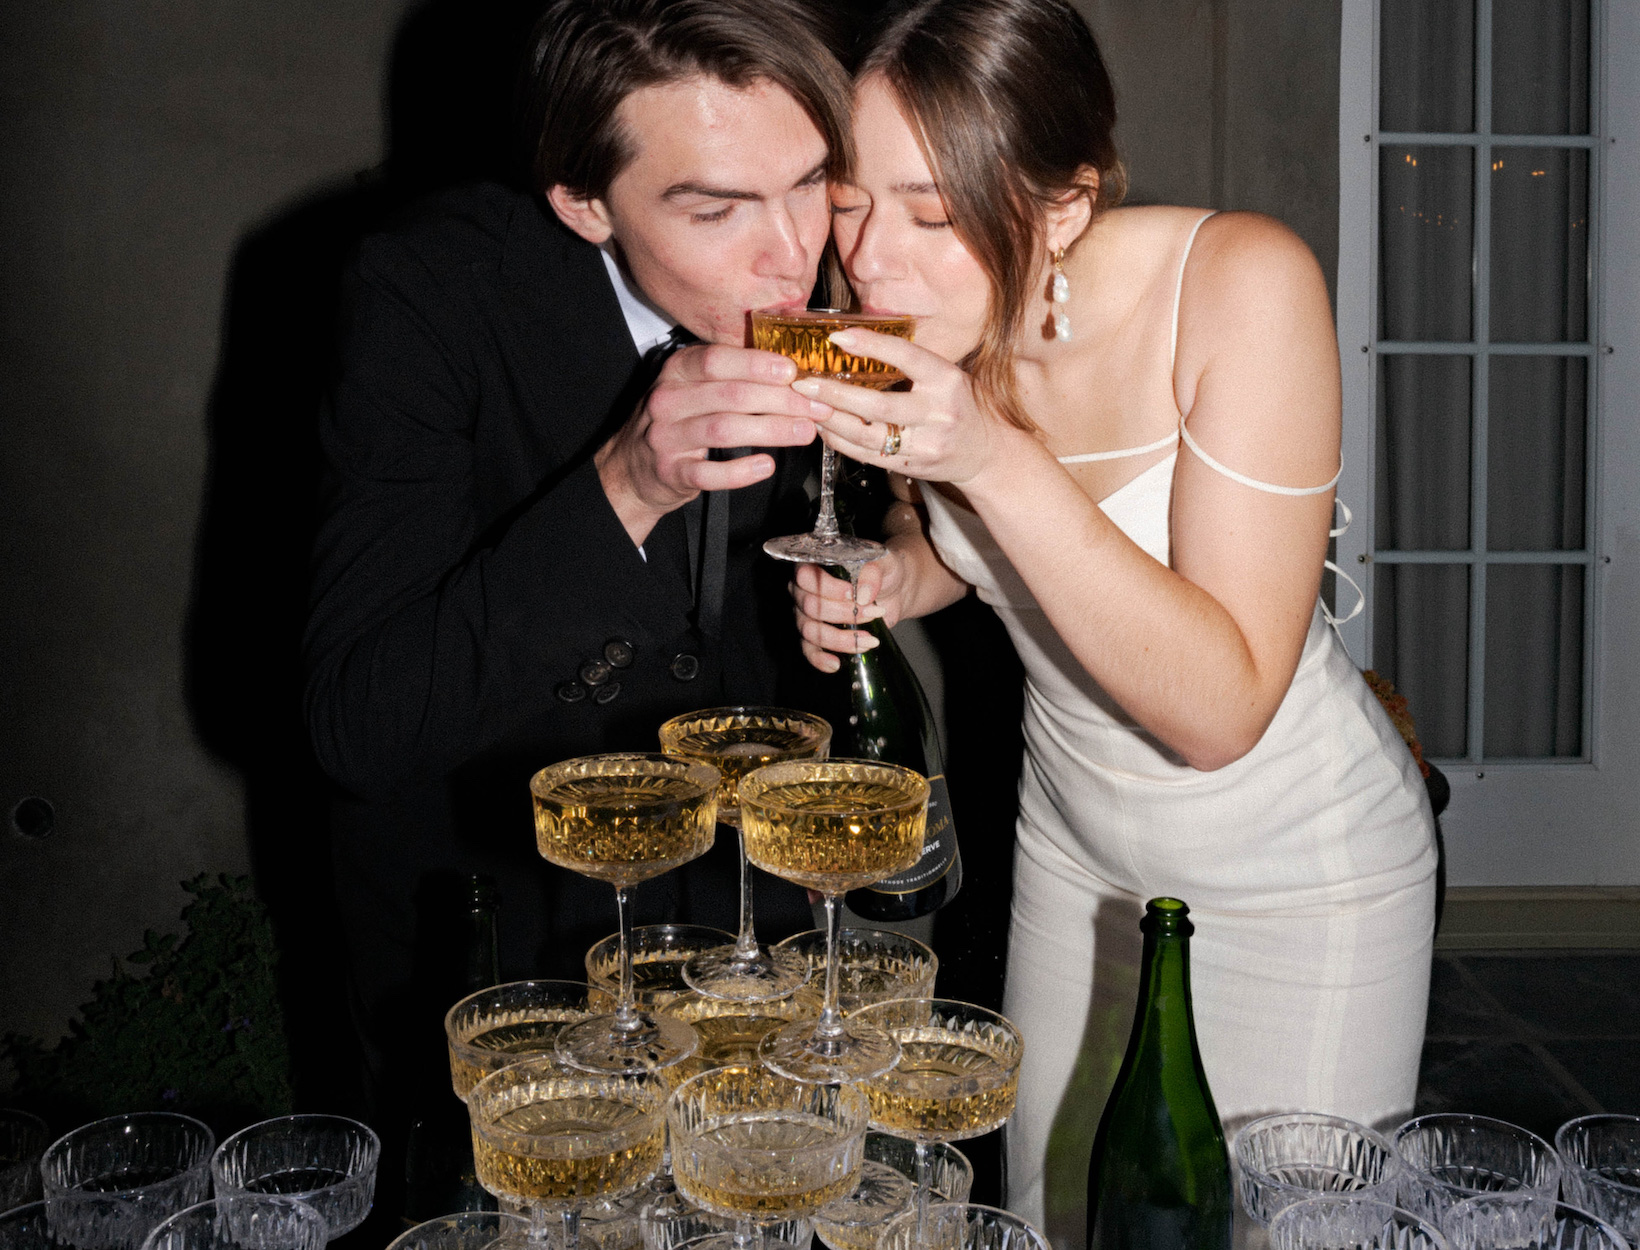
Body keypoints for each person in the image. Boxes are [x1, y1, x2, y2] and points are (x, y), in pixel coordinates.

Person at [788, 0, 1438, 1240]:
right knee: (1051, 1210)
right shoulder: (930, 318)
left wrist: (986, 452)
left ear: (1064, 203)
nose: (871, 262)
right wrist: (894, 574)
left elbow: (1222, 709)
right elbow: (961, 545)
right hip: (1076, 860)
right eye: (850, 201)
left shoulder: (1241, 286)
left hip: (1297, 881)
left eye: (931, 211)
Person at [302, 0, 850, 1158]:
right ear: (581, 199)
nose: (791, 252)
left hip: (752, 936)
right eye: (714, 208)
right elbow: (356, 722)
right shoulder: (425, 293)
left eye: (809, 182)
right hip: (506, 946)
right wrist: (626, 488)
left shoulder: (841, 261)